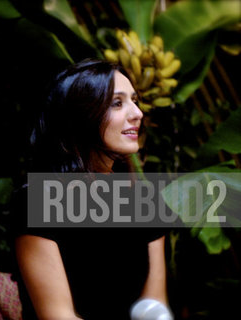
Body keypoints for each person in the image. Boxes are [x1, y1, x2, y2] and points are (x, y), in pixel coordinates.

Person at [14, 59, 172, 319]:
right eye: (117, 103)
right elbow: (58, 315)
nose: (137, 113)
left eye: (135, 100)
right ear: (82, 116)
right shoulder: (36, 200)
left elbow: (154, 307)